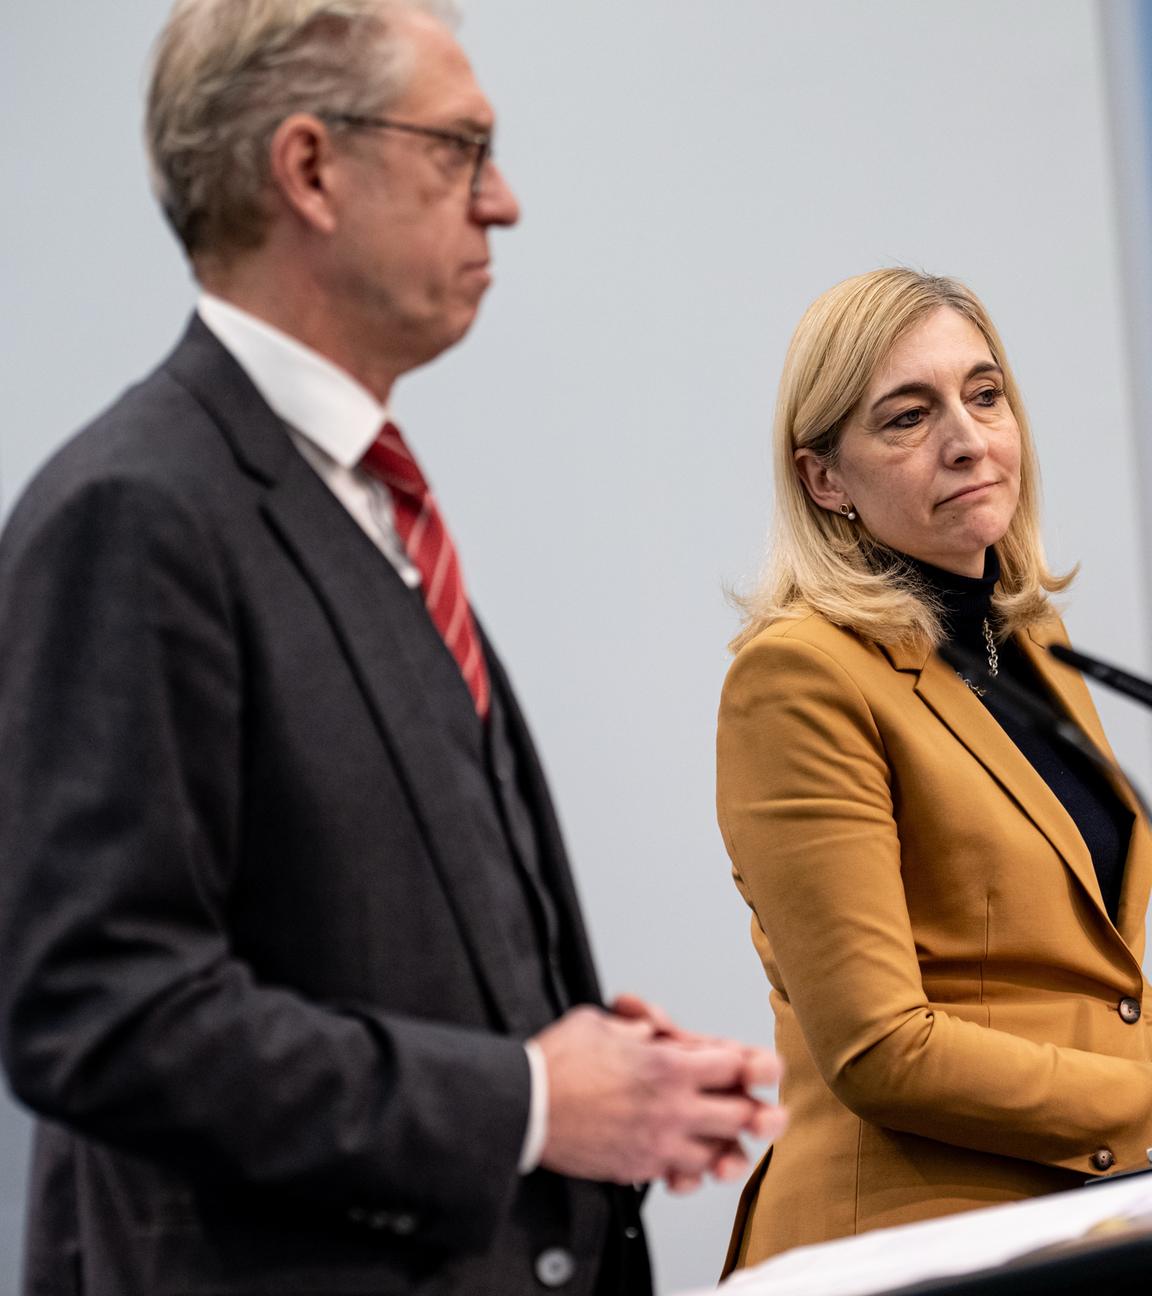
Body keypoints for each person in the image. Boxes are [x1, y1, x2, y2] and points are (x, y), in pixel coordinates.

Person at [0, 3, 787, 1293]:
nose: (505, 202)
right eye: (461, 149)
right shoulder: (135, 511)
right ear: (309, 169)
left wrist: (582, 1058)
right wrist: (527, 1098)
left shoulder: (365, 497)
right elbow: (102, 1011)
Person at [716, 267, 1152, 1272]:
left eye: (984, 395)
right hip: (910, 1244)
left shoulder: (1030, 640)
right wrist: (1139, 1093)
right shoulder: (797, 675)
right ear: (825, 478)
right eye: (908, 417)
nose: (968, 439)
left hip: (1080, 1220)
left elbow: (1084, 970)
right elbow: (883, 1051)